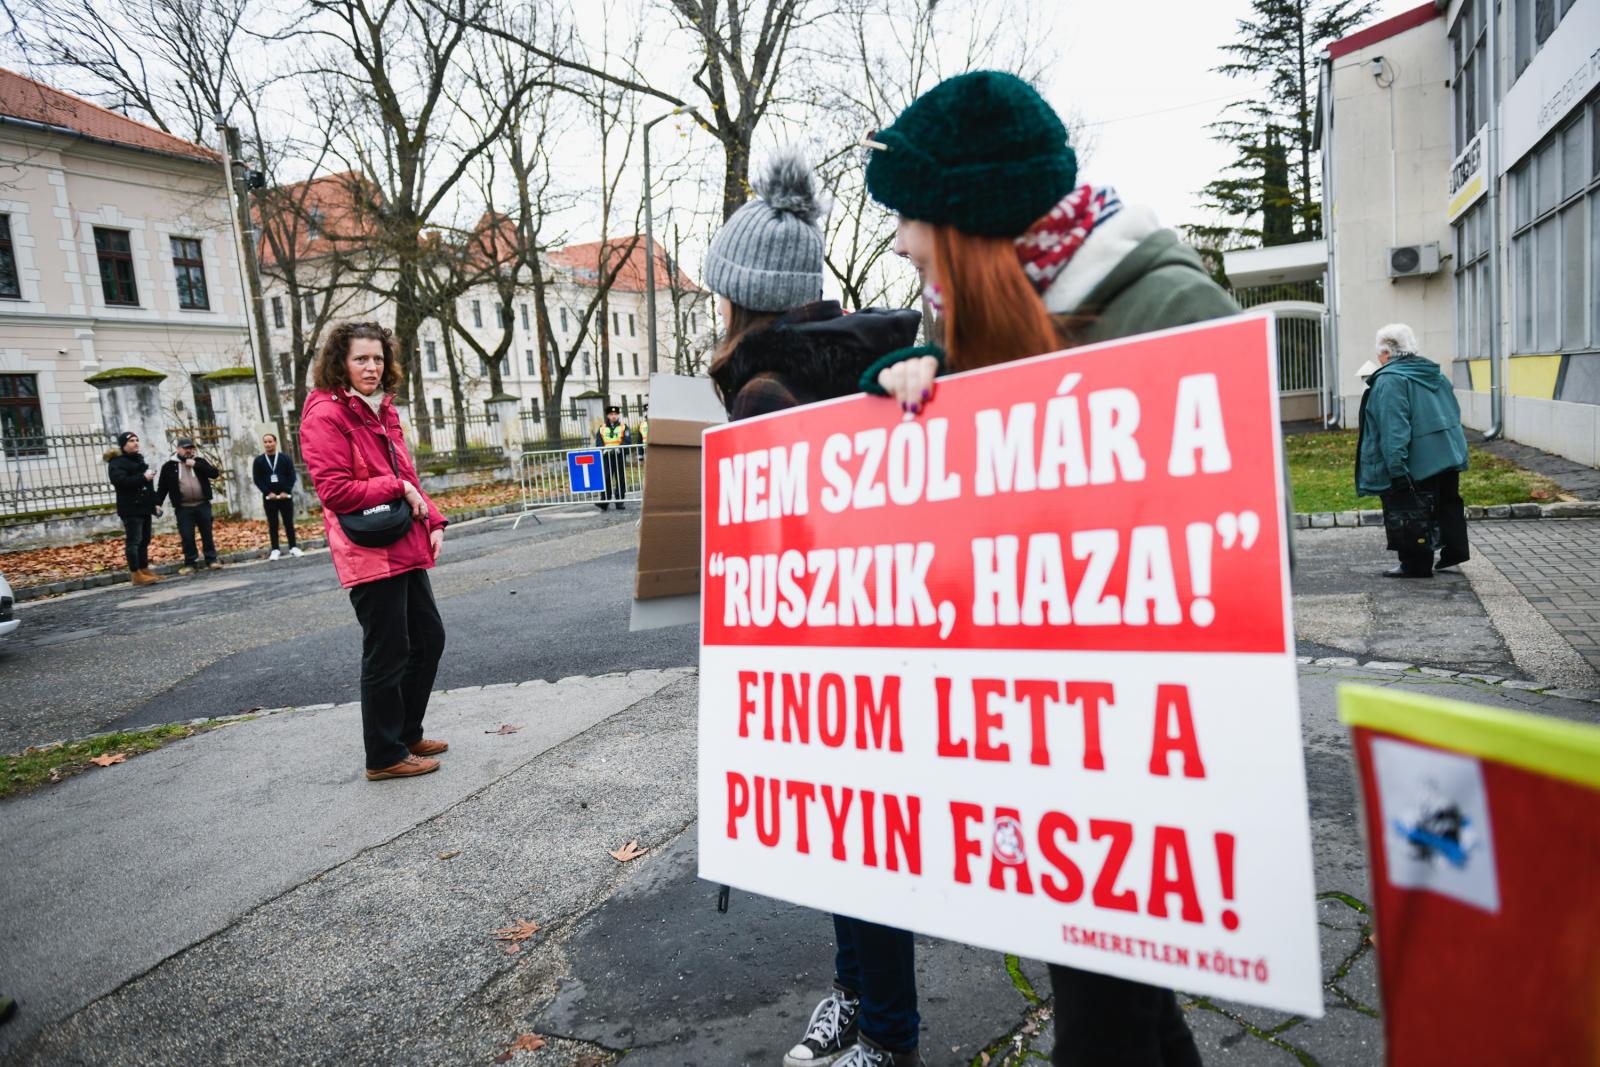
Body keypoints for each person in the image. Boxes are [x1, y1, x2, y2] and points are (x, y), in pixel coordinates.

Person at [861, 70, 1236, 1067]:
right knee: (1115, 991)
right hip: (1036, 731)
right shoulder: (960, 310)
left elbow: (1240, 556)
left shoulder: (1169, 309)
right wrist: (904, 392)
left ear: (970, 219)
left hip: (1136, 732)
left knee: (1104, 1009)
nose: (897, 242)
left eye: (908, 217)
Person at [699, 148, 922, 1067]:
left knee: (856, 849)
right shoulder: (854, 362)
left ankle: (887, 1032)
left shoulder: (763, 391)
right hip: (876, 634)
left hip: (821, 646)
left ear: (742, 295)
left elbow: (774, 542)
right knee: (858, 840)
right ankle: (861, 1002)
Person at [299, 321, 450, 782]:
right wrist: (397, 488)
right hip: (367, 547)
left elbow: (406, 473)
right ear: (340, 363)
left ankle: (405, 734)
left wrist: (433, 519)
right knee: (388, 651)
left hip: (403, 538)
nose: (371, 367)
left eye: (378, 358)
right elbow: (336, 491)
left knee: (428, 639)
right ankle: (383, 756)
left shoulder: (382, 408)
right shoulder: (325, 415)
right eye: (360, 359)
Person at [1355, 323, 1470, 578]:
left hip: (1419, 461)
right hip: (1448, 454)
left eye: (1379, 353)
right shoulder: (1434, 374)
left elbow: (1393, 428)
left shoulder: (1390, 380)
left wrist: (1397, 468)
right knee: (1447, 502)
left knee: (1410, 510)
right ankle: (1455, 552)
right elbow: (1453, 413)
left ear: (1386, 352)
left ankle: (1415, 565)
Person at [105, 431, 163, 586]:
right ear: (123, 445)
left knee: (145, 540)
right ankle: (136, 574)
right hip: (130, 508)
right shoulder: (116, 463)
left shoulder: (139, 459)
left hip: (144, 507)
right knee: (134, 541)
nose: (136, 443)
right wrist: (143, 477)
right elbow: (120, 481)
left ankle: (144, 569)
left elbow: (148, 485)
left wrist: (155, 503)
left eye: (137, 440)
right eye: (131, 440)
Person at [155, 437, 222, 572]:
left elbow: (214, 474)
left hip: (202, 504)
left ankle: (211, 560)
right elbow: (162, 487)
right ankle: (190, 563)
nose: (188, 451)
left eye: (191, 448)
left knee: (207, 533)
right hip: (183, 507)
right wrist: (158, 503)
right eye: (185, 448)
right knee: (187, 536)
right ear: (178, 449)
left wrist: (196, 465)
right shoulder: (169, 466)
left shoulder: (199, 461)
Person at [253, 432, 303, 560]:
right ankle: (275, 549)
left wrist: (286, 491)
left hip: (285, 497)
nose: (268, 444)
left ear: (275, 442)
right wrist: (268, 492)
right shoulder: (259, 461)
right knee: (273, 524)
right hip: (270, 499)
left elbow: (292, 476)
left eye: (270, 441)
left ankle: (293, 547)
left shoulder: (284, 458)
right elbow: (257, 479)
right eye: (265, 442)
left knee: (288, 523)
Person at [594, 405, 630, 511]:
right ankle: (604, 502)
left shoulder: (624, 427)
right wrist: (603, 448)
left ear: (618, 415)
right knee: (606, 478)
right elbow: (598, 441)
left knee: (620, 478)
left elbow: (627, 440)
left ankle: (619, 502)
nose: (613, 416)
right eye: (611, 414)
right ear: (607, 416)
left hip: (619, 455)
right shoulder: (602, 428)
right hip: (607, 456)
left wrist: (620, 447)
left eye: (615, 414)